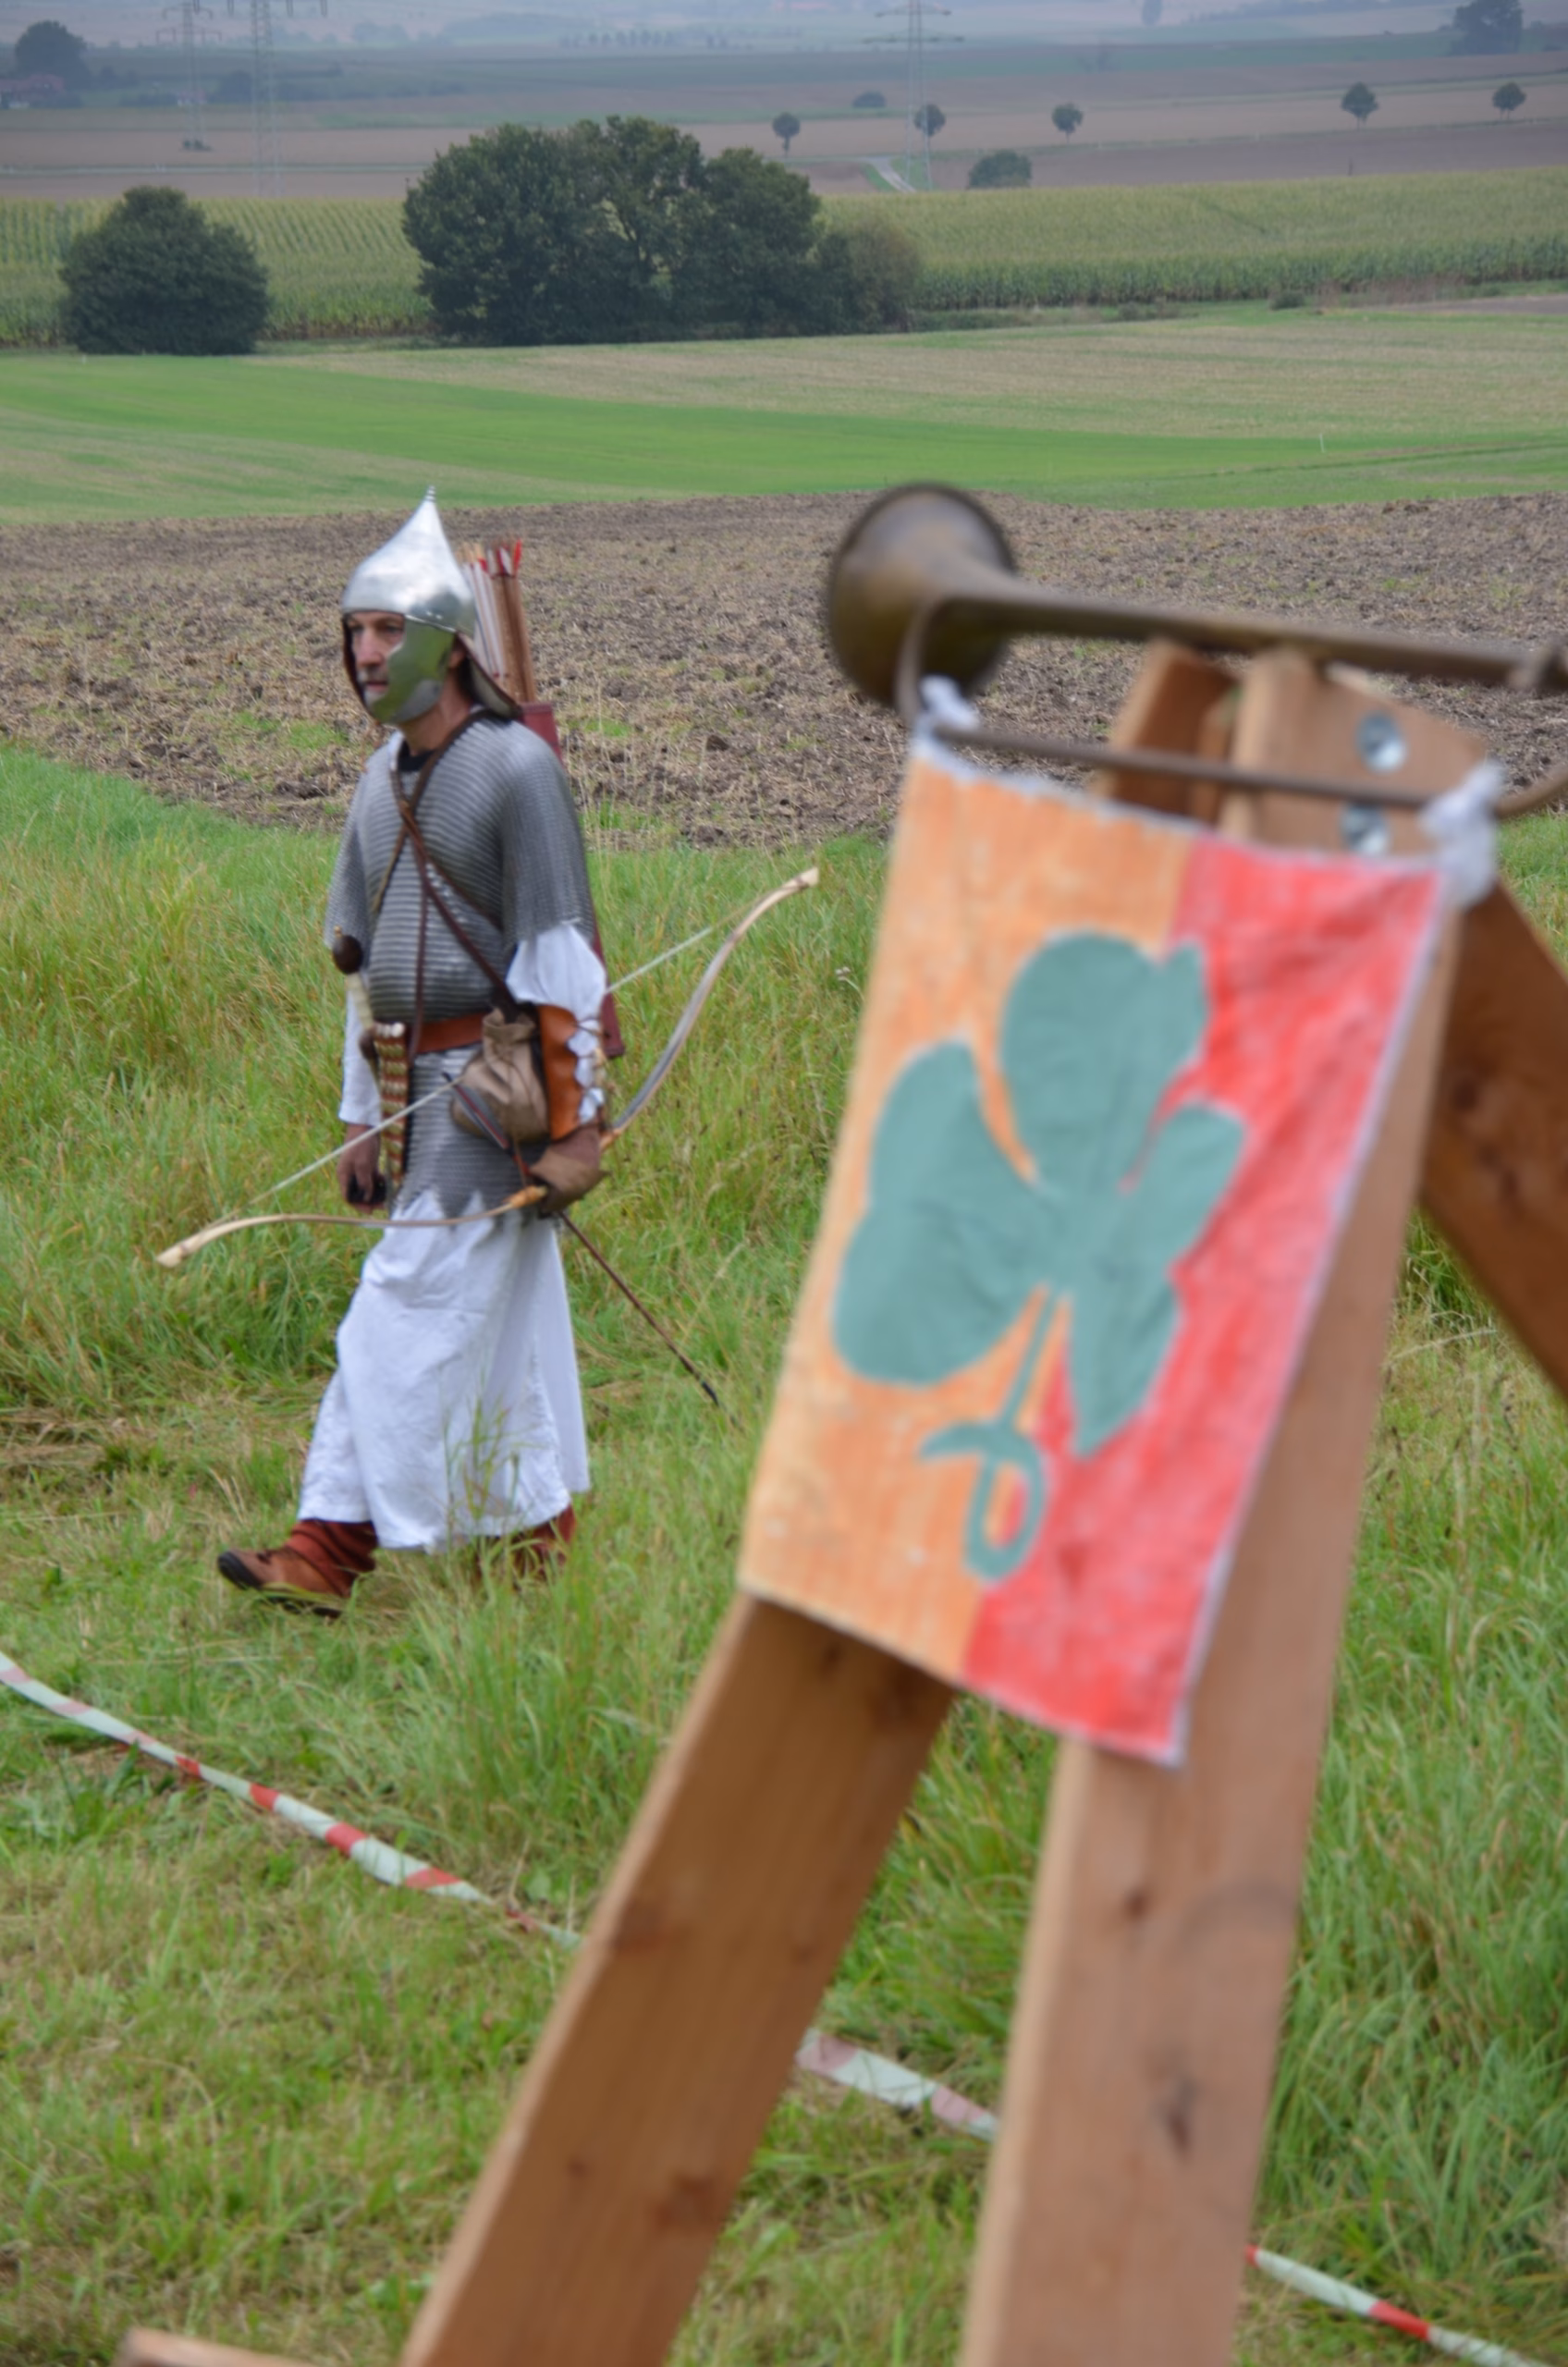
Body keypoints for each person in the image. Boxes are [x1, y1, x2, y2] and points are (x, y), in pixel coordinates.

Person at [218, 492, 606, 1613]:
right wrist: (361, 1114)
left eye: (389, 628)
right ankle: (534, 1549)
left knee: (394, 1318)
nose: (367, 652)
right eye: (355, 629)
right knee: (497, 1340)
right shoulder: (377, 783)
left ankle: (327, 1550)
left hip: (494, 1099)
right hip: (414, 1093)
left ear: (446, 642)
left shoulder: (517, 772)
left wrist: (577, 1126)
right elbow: (369, 975)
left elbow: (561, 960)